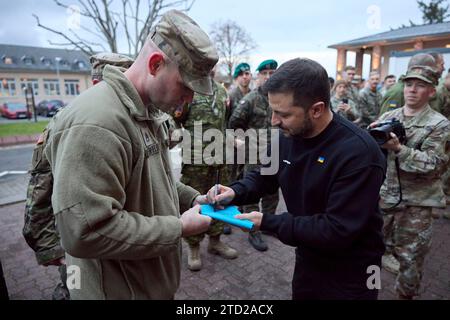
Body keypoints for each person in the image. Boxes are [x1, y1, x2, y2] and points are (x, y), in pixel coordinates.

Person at [43, 10, 216, 300]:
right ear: (155, 63)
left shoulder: (147, 111)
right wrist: (179, 228)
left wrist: (193, 198)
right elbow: (85, 231)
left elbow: (149, 181)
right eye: (186, 86)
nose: (190, 99)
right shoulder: (98, 123)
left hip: (145, 284)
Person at [210, 58, 386, 300]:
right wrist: (234, 191)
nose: (274, 121)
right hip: (309, 254)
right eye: (272, 111)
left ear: (316, 109)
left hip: (355, 268)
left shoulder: (360, 154)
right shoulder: (287, 135)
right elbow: (264, 175)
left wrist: (267, 222)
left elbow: (337, 229)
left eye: (282, 114)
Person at [22, 52, 134, 300]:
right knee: (73, 287)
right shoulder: (67, 123)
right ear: (96, 84)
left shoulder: (128, 121)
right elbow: (40, 189)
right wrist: (49, 248)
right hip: (76, 242)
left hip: (116, 242)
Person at [375, 66, 450, 300]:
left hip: (416, 203)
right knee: (372, 249)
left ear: (431, 91)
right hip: (386, 196)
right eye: (409, 84)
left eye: (420, 85)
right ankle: (368, 291)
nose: (412, 90)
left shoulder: (440, 125)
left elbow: (435, 165)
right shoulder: (389, 116)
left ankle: (405, 297)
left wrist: (399, 149)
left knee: (410, 258)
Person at [179, 71, 238, 271]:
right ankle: (194, 247)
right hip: (195, 161)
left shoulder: (222, 92)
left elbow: (225, 122)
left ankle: (215, 241)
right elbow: (176, 120)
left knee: (219, 201)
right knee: (194, 202)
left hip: (219, 159)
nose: (209, 68)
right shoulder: (188, 90)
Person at [228, 59, 280, 252]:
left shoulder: (280, 97)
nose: (268, 77)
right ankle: (253, 230)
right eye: (264, 73)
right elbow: (234, 123)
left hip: (275, 151)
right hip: (254, 154)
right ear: (259, 76)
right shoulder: (250, 99)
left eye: (272, 73)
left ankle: (268, 224)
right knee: (253, 192)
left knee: (273, 192)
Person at [379, 52, 445, 116]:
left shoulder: (430, 88)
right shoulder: (397, 92)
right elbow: (386, 121)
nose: (443, 69)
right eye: (441, 65)